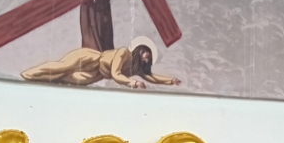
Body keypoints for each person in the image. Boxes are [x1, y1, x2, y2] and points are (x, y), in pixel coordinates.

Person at [21, 44, 181, 88]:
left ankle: (39, 80)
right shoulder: (124, 53)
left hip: (96, 74)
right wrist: (133, 83)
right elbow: (115, 73)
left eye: (148, 60)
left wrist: (170, 80)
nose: (146, 61)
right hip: (90, 59)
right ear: (139, 52)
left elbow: (152, 77)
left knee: (64, 79)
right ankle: (30, 74)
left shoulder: (136, 69)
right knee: (61, 67)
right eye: (146, 57)